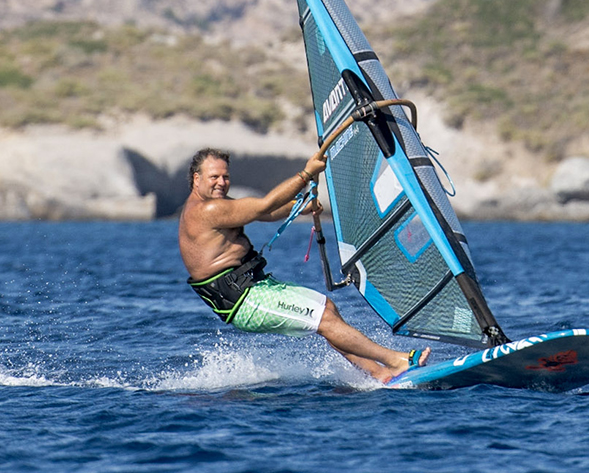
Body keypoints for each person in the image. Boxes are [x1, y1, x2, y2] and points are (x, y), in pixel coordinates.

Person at [178, 147, 428, 382]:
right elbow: (264, 205)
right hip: (244, 300)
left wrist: (301, 206)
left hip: (256, 288)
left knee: (326, 310)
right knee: (324, 321)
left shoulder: (215, 205)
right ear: (196, 178)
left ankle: (379, 374)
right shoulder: (206, 210)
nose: (221, 182)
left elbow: (266, 213)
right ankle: (397, 360)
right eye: (214, 177)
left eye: (225, 176)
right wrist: (306, 174)